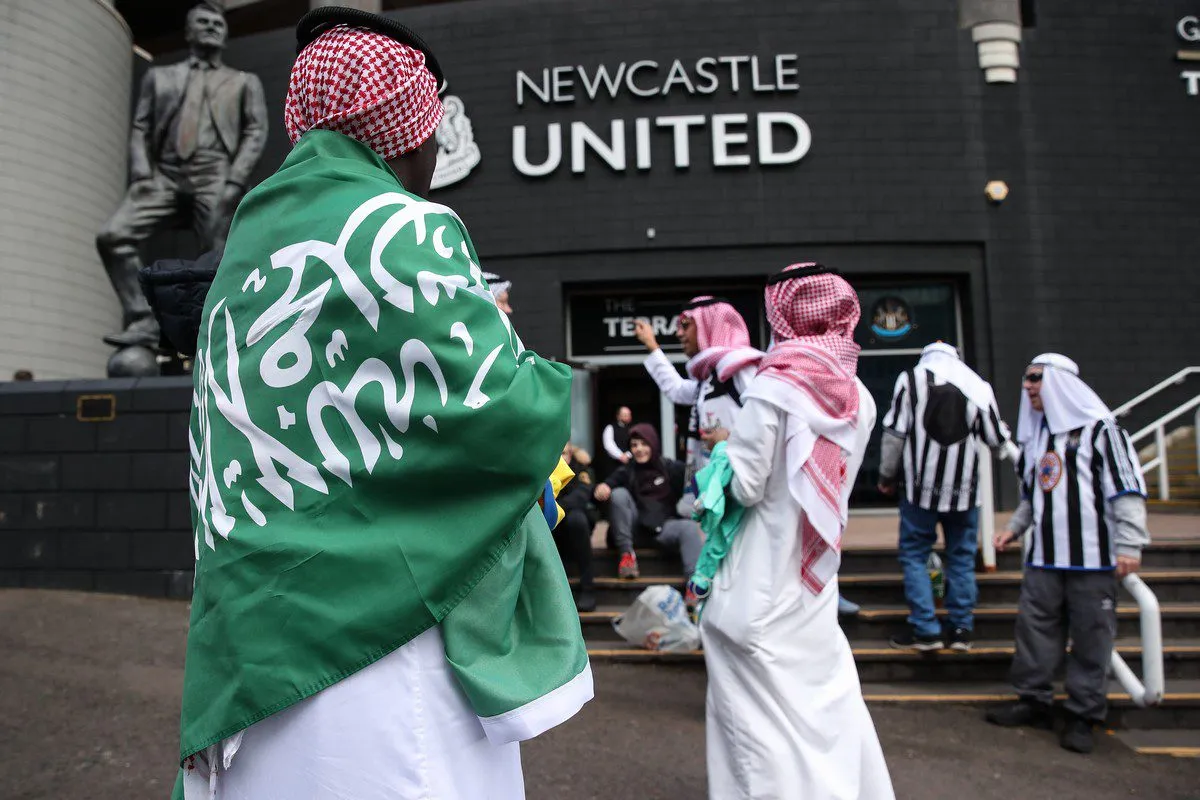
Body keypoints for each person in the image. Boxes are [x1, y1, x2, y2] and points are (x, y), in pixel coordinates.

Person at [173, 11, 590, 799]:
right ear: (398, 133)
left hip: (253, 641)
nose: (435, 151)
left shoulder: (242, 255)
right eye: (431, 131)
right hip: (383, 641)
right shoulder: (406, 224)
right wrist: (531, 366)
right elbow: (505, 414)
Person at [699, 262, 894, 799]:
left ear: (783, 312)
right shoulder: (859, 395)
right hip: (812, 578)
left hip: (758, 575)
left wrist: (718, 456)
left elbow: (744, 486)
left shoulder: (775, 385)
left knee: (757, 720)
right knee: (822, 700)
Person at [986, 353, 1149, 754]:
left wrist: (1129, 544)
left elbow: (1126, 490)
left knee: (1092, 637)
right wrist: (1014, 529)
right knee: (1034, 631)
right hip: (1042, 557)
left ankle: (1083, 713)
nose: (1027, 386)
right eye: (1026, 379)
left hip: (1092, 560)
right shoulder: (1037, 438)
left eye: (1036, 379)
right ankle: (1033, 699)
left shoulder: (1102, 431)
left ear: (1061, 383)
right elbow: (1033, 495)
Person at [96, 2, 267, 348]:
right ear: (188, 32)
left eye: (218, 23)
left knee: (223, 257)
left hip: (215, 174)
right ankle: (143, 320)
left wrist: (235, 179)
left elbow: (256, 130)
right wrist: (143, 174)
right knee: (113, 236)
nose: (212, 28)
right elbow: (140, 127)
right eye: (202, 22)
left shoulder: (244, 82)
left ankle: (220, 326)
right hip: (166, 177)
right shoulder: (160, 77)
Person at [878, 341, 1014, 652]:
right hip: (965, 491)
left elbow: (895, 434)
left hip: (918, 490)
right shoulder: (976, 385)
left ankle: (926, 629)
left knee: (914, 555)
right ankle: (961, 628)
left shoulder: (909, 380)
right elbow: (995, 439)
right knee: (961, 558)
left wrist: (887, 476)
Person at [631, 297, 761, 577]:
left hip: (744, 499)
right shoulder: (710, 377)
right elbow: (677, 390)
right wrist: (652, 347)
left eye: (686, 326)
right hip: (718, 498)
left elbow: (767, 424)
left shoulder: (739, 369)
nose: (679, 333)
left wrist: (729, 438)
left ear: (710, 327)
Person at [593, 423, 703, 580]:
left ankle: (695, 585)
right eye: (634, 445)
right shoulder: (627, 470)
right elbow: (607, 484)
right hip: (635, 531)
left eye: (644, 444)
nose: (639, 449)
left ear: (653, 443)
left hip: (663, 527)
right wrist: (602, 488)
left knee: (689, 528)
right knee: (618, 494)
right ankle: (627, 557)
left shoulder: (669, 468)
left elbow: (697, 476)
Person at [555, 443, 598, 611]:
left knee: (576, 518)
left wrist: (555, 508)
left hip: (577, 525)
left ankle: (588, 587)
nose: (561, 458)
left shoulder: (582, 470)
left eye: (564, 453)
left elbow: (581, 495)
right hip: (555, 528)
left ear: (571, 454)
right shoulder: (545, 471)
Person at [601, 406, 634, 470]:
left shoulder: (633, 429)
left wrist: (628, 455)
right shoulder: (610, 427)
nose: (628, 417)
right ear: (618, 416)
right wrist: (620, 456)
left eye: (629, 415)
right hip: (614, 464)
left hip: (630, 463)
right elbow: (609, 445)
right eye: (625, 415)